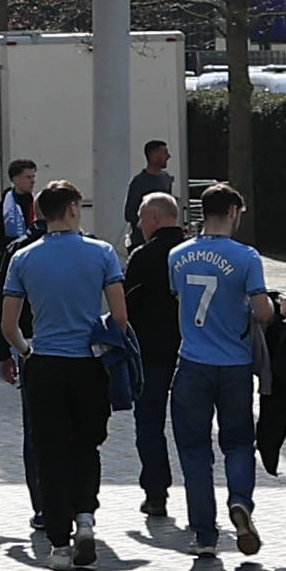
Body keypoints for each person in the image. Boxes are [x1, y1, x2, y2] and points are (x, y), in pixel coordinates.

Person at [0, 181, 131, 571]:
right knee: (86, 445)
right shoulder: (102, 253)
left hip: (45, 365)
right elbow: (120, 318)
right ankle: (85, 518)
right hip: (88, 363)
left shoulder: (23, 258)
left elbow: (9, 325)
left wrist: (27, 352)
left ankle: (58, 544)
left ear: (40, 212)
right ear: (74, 208)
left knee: (50, 452)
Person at [168, 183, 274, 560]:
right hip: (235, 365)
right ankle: (241, 502)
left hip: (192, 361)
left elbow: (180, 299)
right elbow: (262, 312)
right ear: (232, 212)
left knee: (195, 449)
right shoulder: (246, 257)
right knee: (239, 441)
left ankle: (204, 534)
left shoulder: (177, 255)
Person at [123, 189, 187, 523]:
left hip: (151, 355)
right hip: (192, 353)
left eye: (140, 217)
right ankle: (199, 498)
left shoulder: (143, 257)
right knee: (192, 428)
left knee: (149, 423)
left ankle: (156, 493)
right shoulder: (193, 253)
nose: (137, 224)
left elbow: (127, 308)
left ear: (154, 218)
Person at [122, 141, 176, 228]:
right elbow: (129, 214)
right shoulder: (139, 182)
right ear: (153, 156)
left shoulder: (166, 178)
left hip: (164, 233)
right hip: (142, 237)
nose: (168, 156)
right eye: (165, 153)